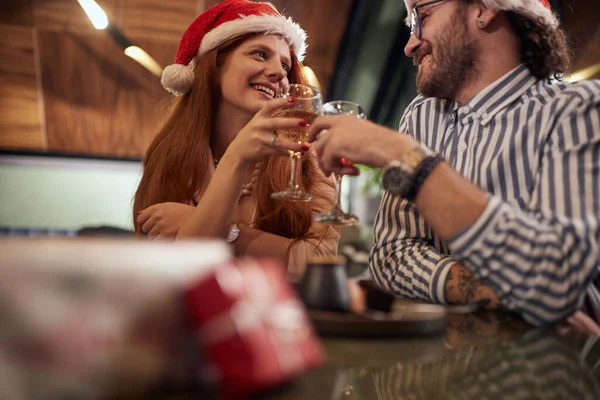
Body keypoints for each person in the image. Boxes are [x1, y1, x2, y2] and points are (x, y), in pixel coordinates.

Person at [307, 0, 600, 327]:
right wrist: (502, 290)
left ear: (485, 9)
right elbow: (390, 260)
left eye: (423, 16)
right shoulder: (422, 117)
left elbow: (554, 284)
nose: (410, 45)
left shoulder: (579, 109)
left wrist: (405, 156)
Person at [133, 0, 338, 278]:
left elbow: (322, 262)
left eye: (285, 65)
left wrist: (227, 232)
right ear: (215, 66)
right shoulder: (169, 152)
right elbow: (165, 268)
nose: (279, 72)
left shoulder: (307, 157)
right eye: (260, 54)